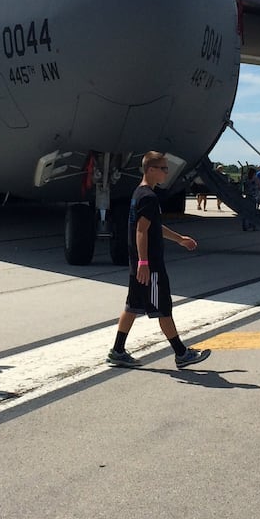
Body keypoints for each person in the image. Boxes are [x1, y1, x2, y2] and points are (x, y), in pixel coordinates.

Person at [107, 152, 211, 369]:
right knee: (163, 307)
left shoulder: (140, 193)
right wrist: (144, 262)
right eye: (163, 168)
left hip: (139, 264)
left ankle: (117, 351)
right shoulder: (148, 197)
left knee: (133, 306)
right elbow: (141, 231)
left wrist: (179, 239)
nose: (166, 172)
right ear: (151, 170)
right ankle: (181, 354)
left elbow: (152, 226)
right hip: (150, 266)